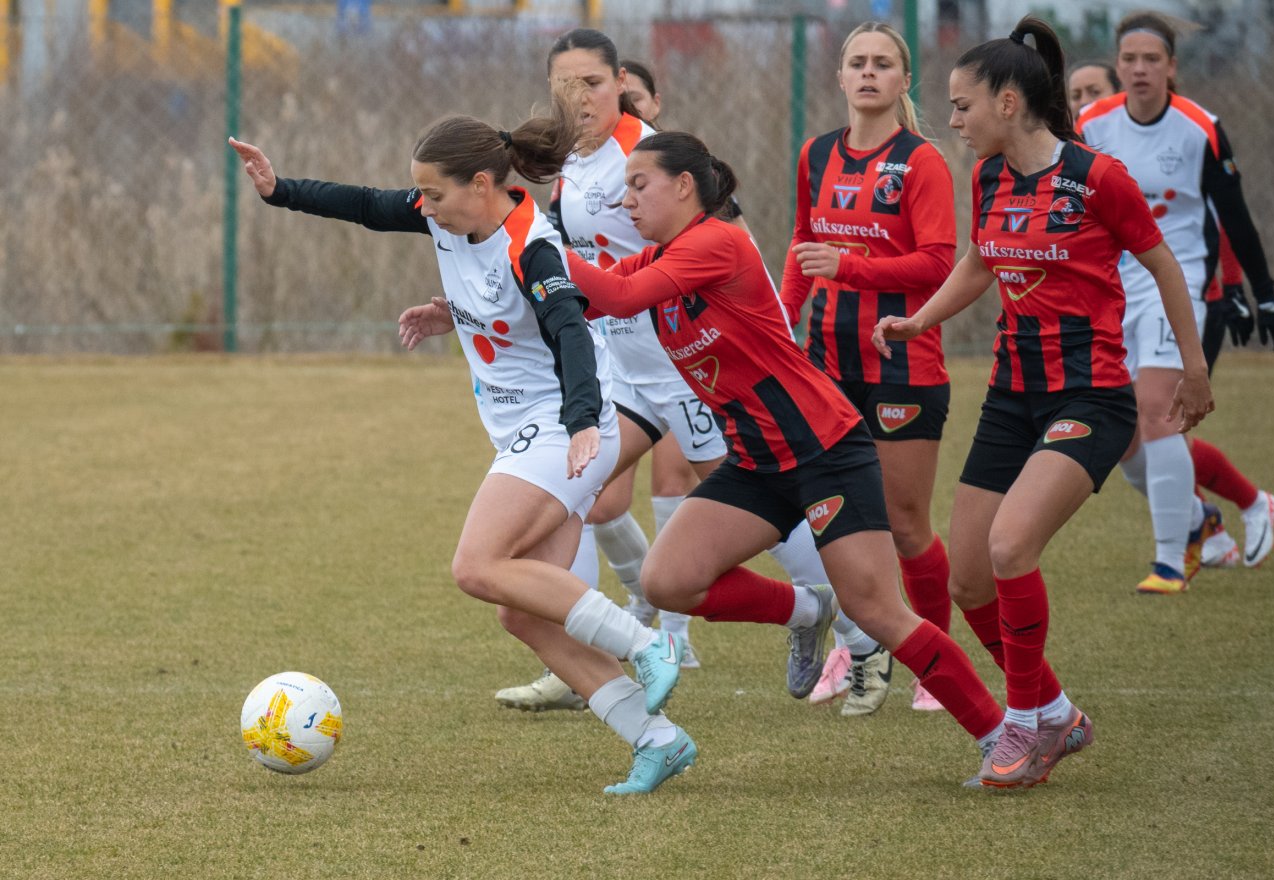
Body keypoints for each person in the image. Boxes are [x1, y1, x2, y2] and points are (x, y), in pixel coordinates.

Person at [226, 98, 695, 796]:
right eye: (420, 192)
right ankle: (656, 739)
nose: (423, 205)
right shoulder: (449, 218)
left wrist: (581, 422)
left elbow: (570, 330)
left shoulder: (532, 246)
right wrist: (279, 189)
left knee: (476, 566)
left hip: (562, 428)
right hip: (532, 431)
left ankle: (648, 644)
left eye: (435, 193)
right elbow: (367, 205)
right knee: (522, 612)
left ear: (482, 184)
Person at [568, 129, 1011, 786]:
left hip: (824, 450)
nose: (624, 200)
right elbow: (593, 292)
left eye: (639, 185)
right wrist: (468, 303)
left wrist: (530, 239)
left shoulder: (717, 242)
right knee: (667, 581)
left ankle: (1003, 735)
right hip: (756, 463)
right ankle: (807, 610)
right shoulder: (657, 258)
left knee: (877, 609)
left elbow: (620, 298)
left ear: (684, 186)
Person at [876, 16, 1213, 787]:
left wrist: (1193, 370)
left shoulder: (1098, 178)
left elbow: (1163, 266)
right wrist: (920, 319)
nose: (953, 121)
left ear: (1007, 103)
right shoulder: (989, 176)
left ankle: (1024, 726)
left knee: (1009, 547)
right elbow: (979, 261)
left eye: (962, 106)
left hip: (1091, 398)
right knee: (967, 580)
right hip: (1012, 395)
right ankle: (1058, 712)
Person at [498, 30, 840, 711]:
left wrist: (769, 335)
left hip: (693, 369)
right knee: (576, 485)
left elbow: (727, 241)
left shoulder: (648, 153)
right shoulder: (571, 163)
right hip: (626, 369)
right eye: (565, 86)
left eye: (592, 83)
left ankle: (852, 628)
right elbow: (590, 273)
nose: (579, 98)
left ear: (620, 82)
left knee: (758, 504)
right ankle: (586, 661)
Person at [781, 21, 955, 715]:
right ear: (840, 76)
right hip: (827, 360)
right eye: (857, 62)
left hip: (901, 363)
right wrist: (782, 319)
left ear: (904, 79)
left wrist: (849, 266)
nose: (868, 73)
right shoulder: (816, 153)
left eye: (883, 63)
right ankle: (859, 645)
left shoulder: (922, 161)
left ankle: (936, 661)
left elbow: (940, 264)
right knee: (838, 517)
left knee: (905, 524)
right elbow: (804, 243)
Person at [1078, 11, 1274, 592]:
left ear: (1171, 66)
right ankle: (1202, 519)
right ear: (1118, 65)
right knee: (1119, 435)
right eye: (1129, 59)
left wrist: (1264, 293)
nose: (1140, 69)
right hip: (1113, 289)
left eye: (1152, 59)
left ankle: (1171, 561)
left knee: (1158, 411)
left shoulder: (1201, 128)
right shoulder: (1092, 124)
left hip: (1178, 283)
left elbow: (1235, 217)